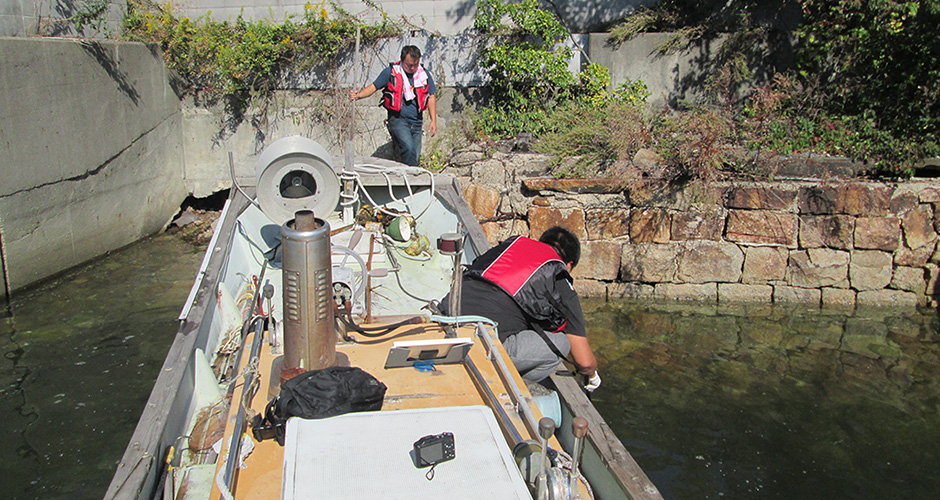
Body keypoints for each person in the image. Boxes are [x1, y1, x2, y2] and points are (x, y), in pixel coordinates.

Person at [440, 227, 601, 391]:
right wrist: (593, 376)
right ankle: (505, 386)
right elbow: (584, 362)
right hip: (483, 343)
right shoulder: (559, 275)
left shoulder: (510, 247)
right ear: (569, 264)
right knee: (561, 344)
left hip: (446, 318)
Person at [350, 45, 437, 166]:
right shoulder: (391, 72)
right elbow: (374, 86)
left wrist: (433, 120)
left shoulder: (423, 74)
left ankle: (408, 179)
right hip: (398, 120)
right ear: (402, 61)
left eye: (415, 65)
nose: (412, 68)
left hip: (417, 121)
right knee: (409, 148)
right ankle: (407, 179)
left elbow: (431, 96)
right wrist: (358, 95)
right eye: (409, 65)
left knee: (415, 157)